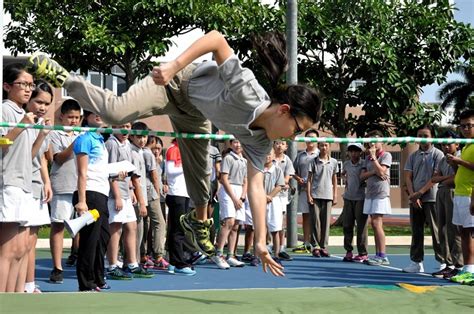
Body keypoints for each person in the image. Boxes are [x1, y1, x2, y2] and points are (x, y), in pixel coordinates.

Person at [28, 30, 321, 275]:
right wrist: (173, 65)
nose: (294, 137)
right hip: (173, 84)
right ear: (284, 111)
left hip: (194, 114)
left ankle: (196, 221)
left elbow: (256, 188)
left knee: (201, 179)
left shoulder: (262, 143)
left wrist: (260, 241)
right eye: (297, 129)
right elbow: (217, 39)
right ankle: (64, 77)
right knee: (116, 112)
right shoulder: (248, 91)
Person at [1, 63, 37, 292]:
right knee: (8, 250)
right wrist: (21, 127)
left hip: (25, 184)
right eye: (22, 84)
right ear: (7, 86)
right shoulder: (4, 110)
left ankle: (14, 297)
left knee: (22, 248)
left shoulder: (25, 114)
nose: (28, 89)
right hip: (9, 182)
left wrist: (41, 135)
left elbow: (29, 155)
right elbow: (2, 142)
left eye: (30, 85)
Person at [105, 122, 153, 280]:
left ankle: (131, 263)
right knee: (116, 229)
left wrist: (131, 191)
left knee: (131, 226)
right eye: (121, 125)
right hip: (115, 195)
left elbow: (130, 174)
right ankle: (112, 265)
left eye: (128, 125)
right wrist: (117, 195)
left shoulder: (126, 145)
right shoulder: (112, 144)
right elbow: (110, 172)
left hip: (126, 194)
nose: (125, 129)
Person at [72, 111, 111, 291]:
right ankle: (85, 284)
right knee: (89, 241)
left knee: (103, 238)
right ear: (86, 118)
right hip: (90, 195)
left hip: (102, 194)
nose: (99, 115)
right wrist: (82, 201)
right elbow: (82, 172)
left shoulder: (101, 140)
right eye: (94, 112)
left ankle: (97, 278)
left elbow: (99, 169)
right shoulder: (84, 139)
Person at [23, 80, 55, 293]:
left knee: (31, 240)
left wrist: (47, 182)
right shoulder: (24, 124)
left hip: (37, 185)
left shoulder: (42, 125)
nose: (43, 107)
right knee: (21, 242)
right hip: (22, 185)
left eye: (47, 103)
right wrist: (42, 134)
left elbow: (43, 159)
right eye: (39, 102)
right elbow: (27, 157)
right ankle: (19, 285)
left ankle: (29, 283)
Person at [48, 98, 82, 283]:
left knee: (83, 227)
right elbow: (58, 159)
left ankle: (79, 260)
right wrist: (76, 143)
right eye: (70, 117)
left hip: (82, 187)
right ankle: (57, 267)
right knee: (59, 225)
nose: (74, 121)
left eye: (77, 118)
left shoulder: (83, 133)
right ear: (62, 117)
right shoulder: (55, 133)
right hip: (62, 185)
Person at [403, 125, 444, 273]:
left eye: (425, 135)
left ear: (432, 137)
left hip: (431, 198)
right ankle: (416, 262)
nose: (422, 138)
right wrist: (413, 196)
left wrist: (419, 193)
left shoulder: (438, 154)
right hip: (415, 200)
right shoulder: (413, 156)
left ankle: (443, 261)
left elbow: (434, 178)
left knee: (436, 231)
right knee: (416, 231)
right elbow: (408, 176)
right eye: (419, 135)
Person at [431, 130, 463, 279]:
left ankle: (460, 264)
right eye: (443, 144)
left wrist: (443, 179)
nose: (446, 147)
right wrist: (445, 179)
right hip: (441, 193)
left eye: (449, 143)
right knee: (442, 229)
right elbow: (434, 178)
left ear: (457, 144)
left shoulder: (460, 158)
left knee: (453, 229)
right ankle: (448, 263)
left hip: (452, 192)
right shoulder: (442, 160)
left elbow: (457, 178)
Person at [448, 109, 474, 285]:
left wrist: (459, 162)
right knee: (463, 233)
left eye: (469, 125)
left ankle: (472, 271)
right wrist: (455, 165)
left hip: (470, 194)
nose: (465, 129)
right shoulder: (465, 146)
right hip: (459, 194)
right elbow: (463, 170)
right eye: (462, 126)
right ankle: (467, 269)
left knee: (470, 233)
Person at [211, 139, 247, 269]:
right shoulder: (228, 158)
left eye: (240, 142)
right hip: (228, 191)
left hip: (239, 191)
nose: (238, 145)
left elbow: (245, 180)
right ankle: (218, 253)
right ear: (231, 144)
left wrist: (242, 196)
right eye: (235, 142)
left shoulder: (244, 160)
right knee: (229, 222)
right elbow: (224, 179)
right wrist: (234, 198)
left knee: (236, 225)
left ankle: (230, 255)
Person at [165, 139, 196, 275]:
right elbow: (170, 171)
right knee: (178, 230)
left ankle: (173, 262)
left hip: (183, 193)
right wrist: (188, 166)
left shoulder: (186, 150)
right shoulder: (173, 149)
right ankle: (179, 263)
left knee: (177, 229)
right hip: (176, 194)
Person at [360, 130, 392, 266]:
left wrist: (374, 159)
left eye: (375, 140)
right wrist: (373, 171)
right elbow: (362, 176)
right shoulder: (366, 158)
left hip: (380, 193)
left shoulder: (386, 155)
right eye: (370, 140)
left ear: (381, 141)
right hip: (370, 193)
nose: (373, 143)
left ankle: (383, 255)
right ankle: (378, 254)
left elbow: (382, 172)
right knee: (373, 223)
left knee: (377, 223)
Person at [307, 141, 338, 257]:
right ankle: (315, 246)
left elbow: (335, 179)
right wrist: (309, 195)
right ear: (318, 147)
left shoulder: (334, 162)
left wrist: (335, 195)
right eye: (321, 145)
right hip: (315, 195)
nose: (324, 147)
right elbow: (309, 179)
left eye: (326, 145)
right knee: (315, 221)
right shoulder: (313, 161)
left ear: (329, 146)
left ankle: (324, 246)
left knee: (326, 222)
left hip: (328, 195)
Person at [142, 135, 169, 270]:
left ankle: (144, 254)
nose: (157, 150)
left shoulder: (155, 159)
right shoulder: (147, 154)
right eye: (155, 147)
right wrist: (158, 192)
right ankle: (157, 256)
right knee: (159, 222)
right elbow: (153, 176)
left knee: (145, 223)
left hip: (146, 192)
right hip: (150, 193)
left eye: (159, 148)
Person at [292, 129, 319, 253]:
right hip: (304, 191)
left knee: (318, 217)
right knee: (306, 217)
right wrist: (298, 179)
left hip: (319, 191)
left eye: (313, 138)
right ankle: (307, 243)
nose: (310, 140)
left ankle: (318, 243)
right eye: (308, 138)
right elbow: (293, 172)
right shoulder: (300, 156)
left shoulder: (320, 154)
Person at [341, 143, 368, 263]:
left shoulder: (364, 163)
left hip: (361, 198)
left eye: (356, 151)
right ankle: (348, 251)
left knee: (361, 226)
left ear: (360, 152)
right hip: (348, 198)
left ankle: (362, 252)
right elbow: (344, 175)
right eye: (351, 151)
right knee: (347, 225)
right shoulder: (346, 164)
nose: (353, 154)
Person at [272, 140, 295, 261]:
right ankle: (267, 246)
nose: (279, 145)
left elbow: (287, 178)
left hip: (281, 196)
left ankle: (281, 248)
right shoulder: (269, 158)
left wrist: (279, 184)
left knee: (281, 223)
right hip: (268, 194)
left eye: (282, 143)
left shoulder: (287, 160)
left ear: (286, 147)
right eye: (277, 143)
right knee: (266, 221)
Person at [263, 149, 286, 265]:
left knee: (275, 229)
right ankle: (257, 255)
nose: (267, 156)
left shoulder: (277, 170)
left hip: (274, 201)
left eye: (269, 153)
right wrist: (262, 197)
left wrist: (269, 196)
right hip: (260, 201)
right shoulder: (258, 169)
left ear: (273, 155)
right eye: (265, 153)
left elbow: (279, 186)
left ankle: (276, 255)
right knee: (259, 229)